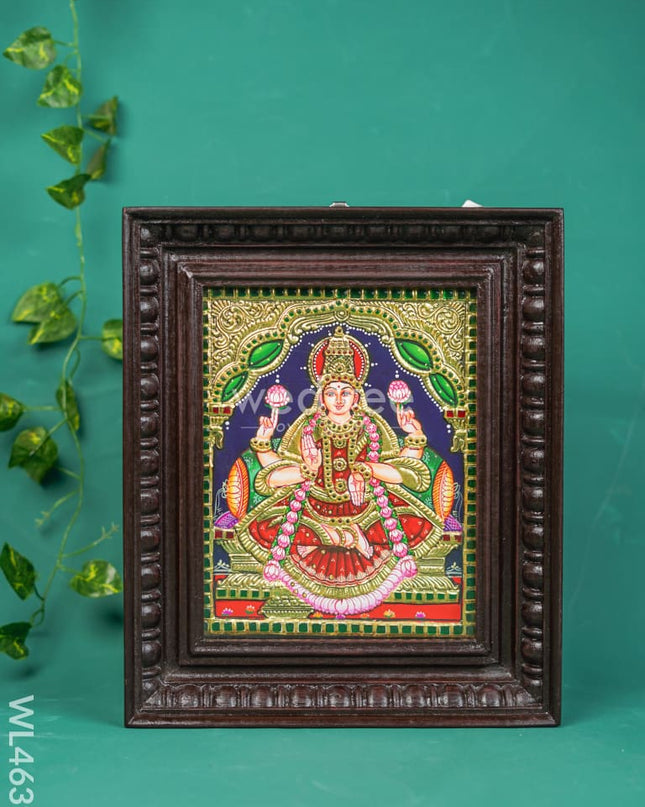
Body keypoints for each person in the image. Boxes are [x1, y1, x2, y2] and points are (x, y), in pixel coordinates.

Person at [233, 326, 442, 616]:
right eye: (331, 393)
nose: (339, 399)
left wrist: (406, 442)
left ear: (356, 397)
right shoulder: (307, 428)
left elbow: (406, 473)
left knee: (413, 523)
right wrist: (291, 459)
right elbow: (272, 477)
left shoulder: (372, 427)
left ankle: (340, 536)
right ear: (322, 397)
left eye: (346, 392)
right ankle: (345, 538)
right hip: (313, 509)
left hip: (366, 510)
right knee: (265, 527)